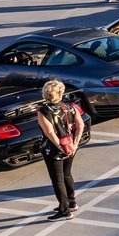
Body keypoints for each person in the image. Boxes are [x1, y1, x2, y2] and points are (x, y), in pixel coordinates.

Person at [35, 79, 83, 221]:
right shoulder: (70, 107)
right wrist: (74, 143)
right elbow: (80, 126)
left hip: (53, 149)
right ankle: (71, 202)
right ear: (60, 93)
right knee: (67, 174)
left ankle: (64, 210)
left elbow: (50, 133)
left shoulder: (43, 111)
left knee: (57, 180)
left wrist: (60, 147)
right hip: (70, 146)